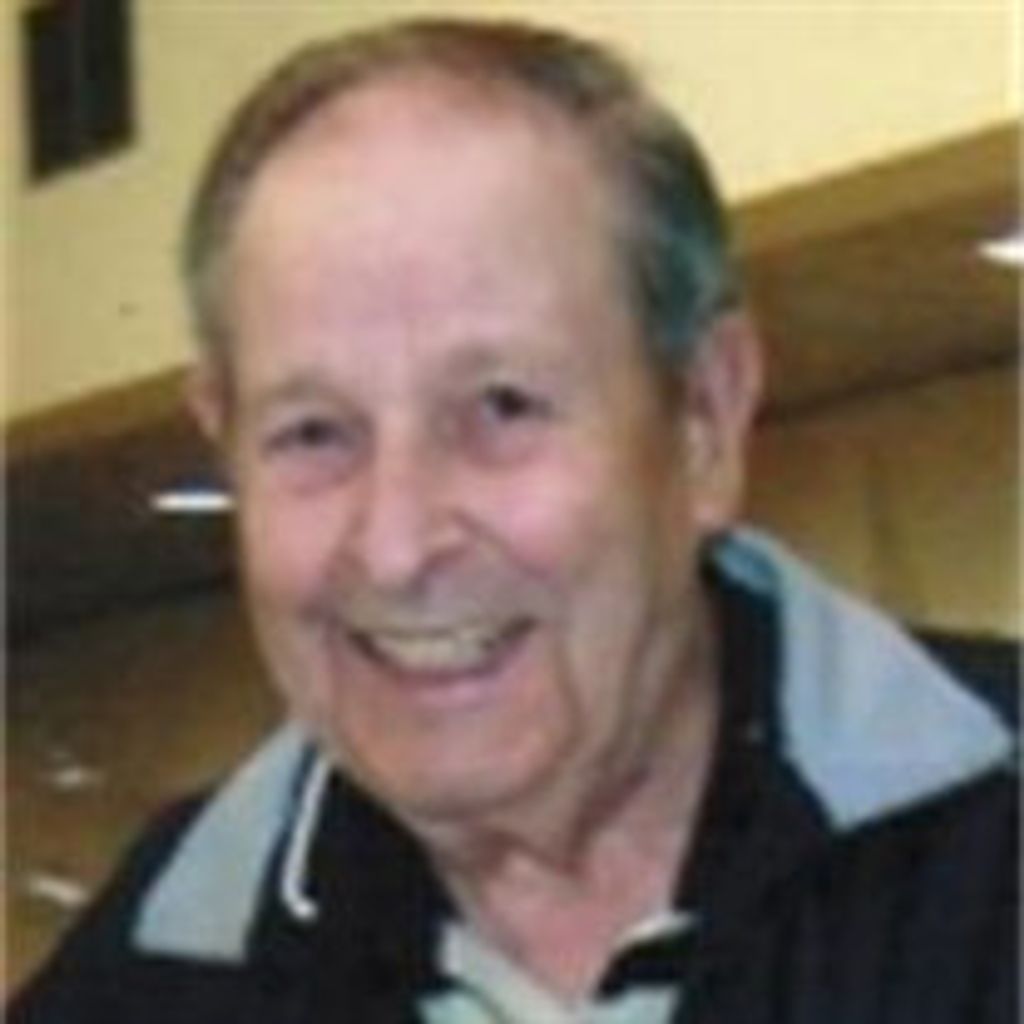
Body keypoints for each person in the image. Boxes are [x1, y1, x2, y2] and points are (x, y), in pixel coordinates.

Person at [10, 17, 1017, 1024]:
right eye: (314, 433)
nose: (396, 546)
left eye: (502, 406)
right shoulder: (144, 981)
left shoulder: (990, 866)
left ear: (704, 419)